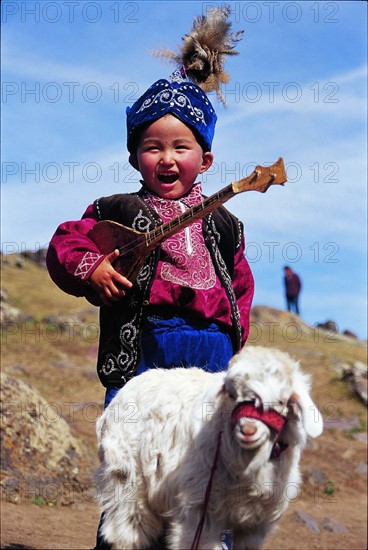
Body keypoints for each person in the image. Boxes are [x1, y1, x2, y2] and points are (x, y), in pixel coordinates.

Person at [46, 9, 253, 549]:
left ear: (204, 158)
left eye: (180, 147)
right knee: (134, 469)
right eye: (152, 147)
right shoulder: (115, 208)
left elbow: (240, 291)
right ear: (135, 155)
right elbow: (67, 242)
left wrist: (237, 353)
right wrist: (91, 267)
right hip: (144, 352)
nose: (166, 158)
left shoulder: (226, 224)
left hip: (209, 361)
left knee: (207, 470)